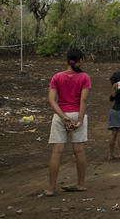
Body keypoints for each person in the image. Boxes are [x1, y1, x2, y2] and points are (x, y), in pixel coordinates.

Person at [46, 48, 92, 195]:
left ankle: (51, 188)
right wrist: (79, 120)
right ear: (79, 61)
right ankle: (80, 184)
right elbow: (83, 99)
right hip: (77, 113)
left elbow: (51, 100)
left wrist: (63, 117)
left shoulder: (57, 77)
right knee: (79, 150)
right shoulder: (84, 77)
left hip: (60, 115)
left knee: (56, 152)